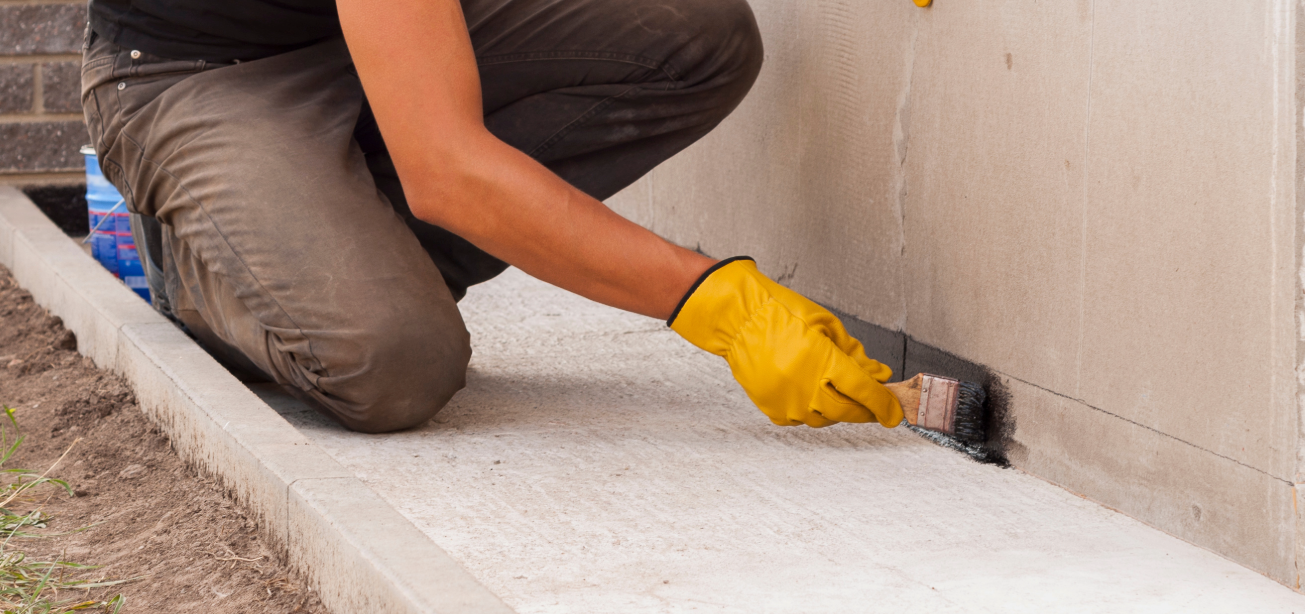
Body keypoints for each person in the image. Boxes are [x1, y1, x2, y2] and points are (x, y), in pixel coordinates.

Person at [80, 0, 903, 433]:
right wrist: (717, 303)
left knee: (694, 37)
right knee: (391, 362)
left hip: (393, 25)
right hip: (198, 74)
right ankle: (208, 261)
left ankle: (338, 236)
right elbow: (446, 174)